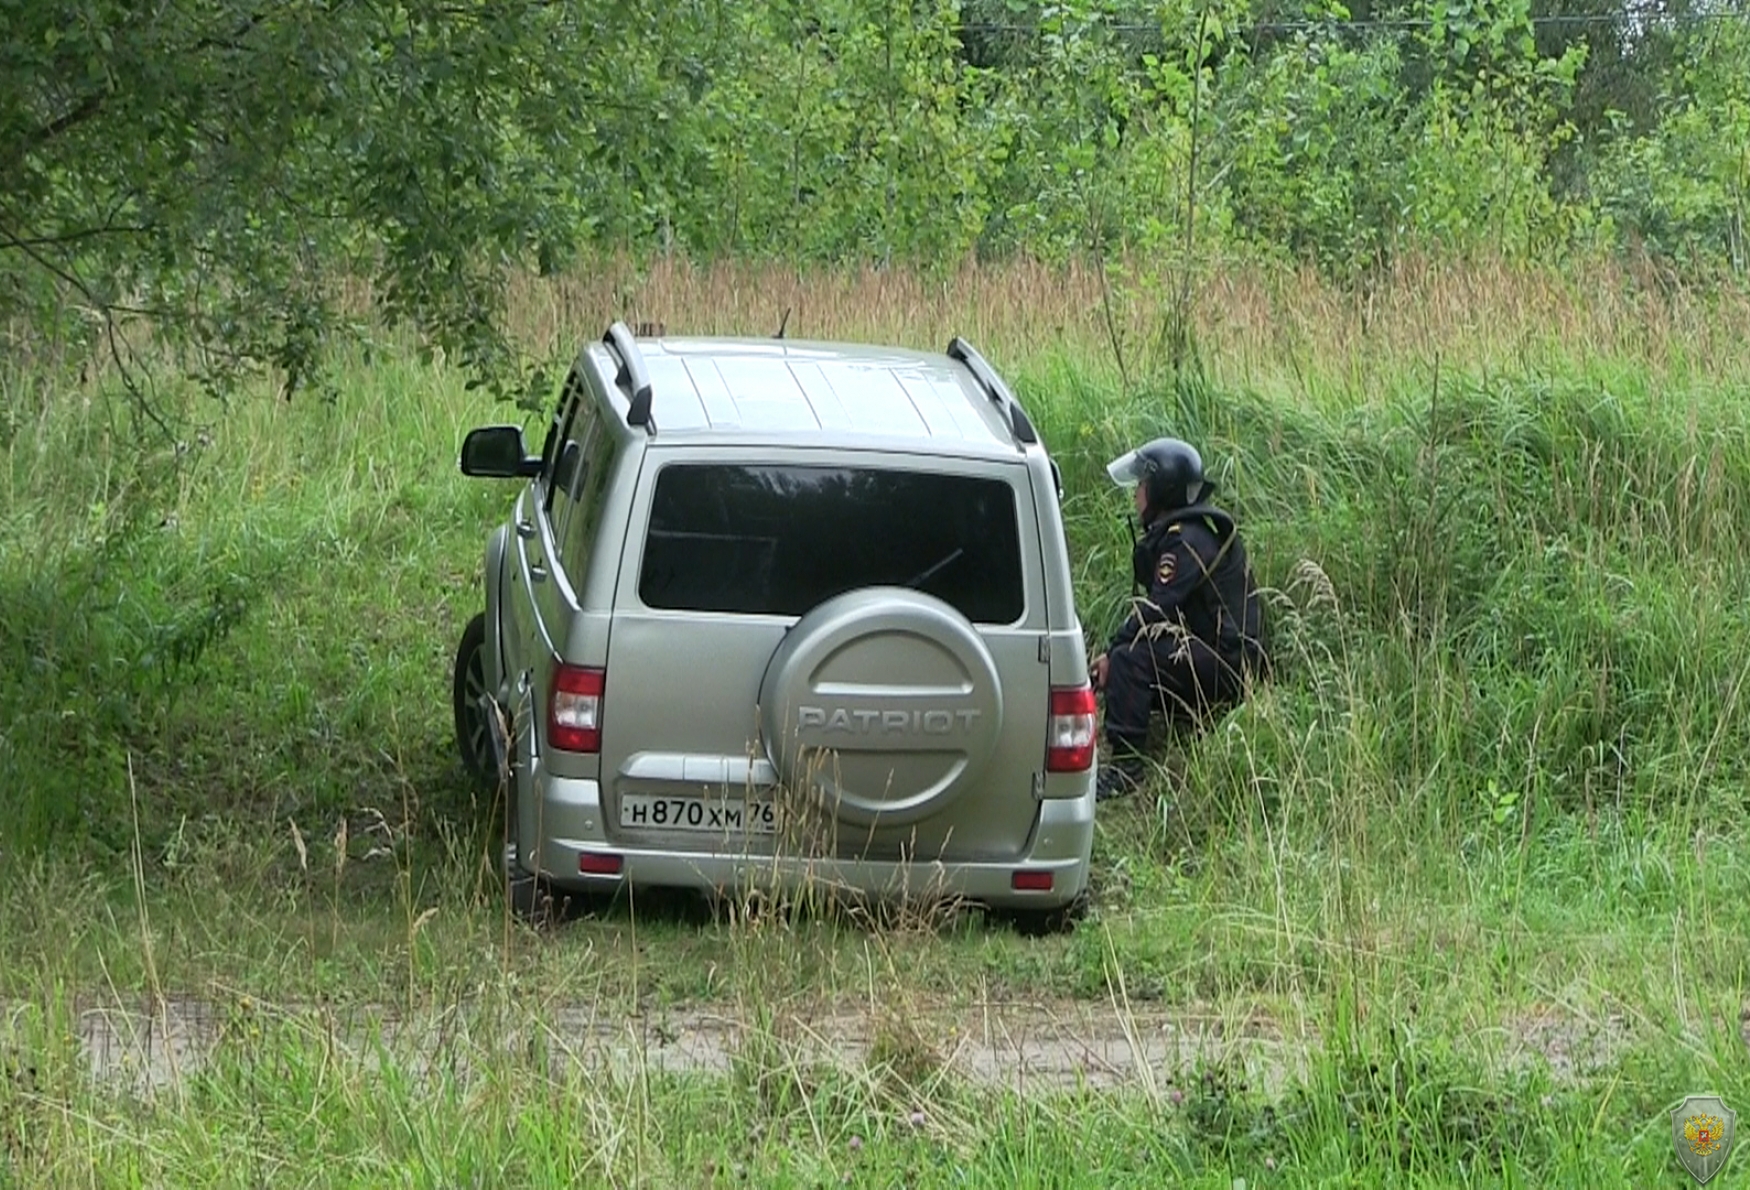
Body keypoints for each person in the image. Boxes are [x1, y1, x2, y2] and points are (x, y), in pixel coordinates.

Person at [1090, 437, 1267, 801]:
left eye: (1142, 485)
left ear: (1161, 490)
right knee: (1133, 654)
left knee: (1130, 659)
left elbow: (1156, 611)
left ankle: (1127, 767)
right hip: (1224, 657)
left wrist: (1113, 651)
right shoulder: (1188, 533)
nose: (1136, 494)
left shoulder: (1185, 540)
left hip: (1233, 668)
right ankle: (1185, 723)